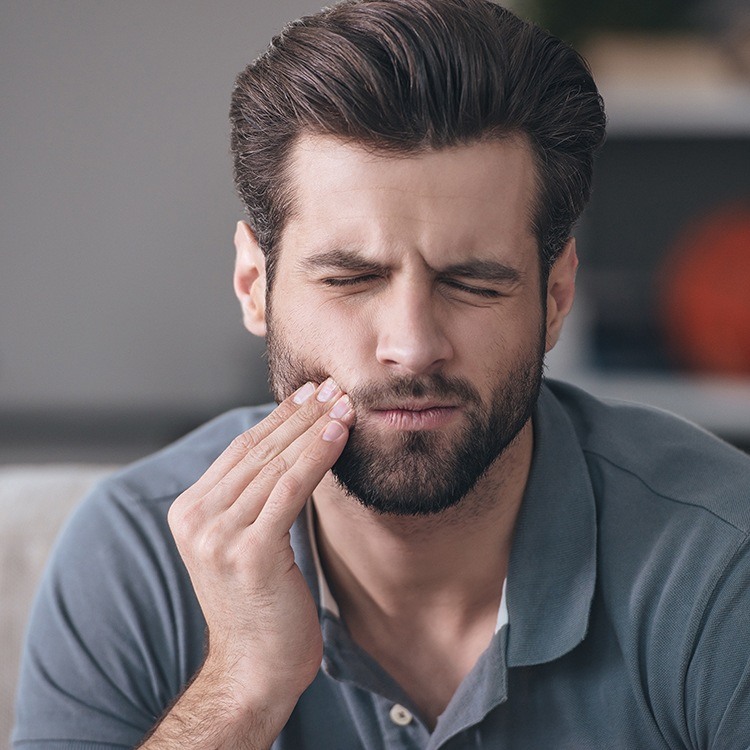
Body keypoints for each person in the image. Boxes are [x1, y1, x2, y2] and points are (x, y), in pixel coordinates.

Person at [12, 1, 750, 748]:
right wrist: (240, 691)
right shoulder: (132, 555)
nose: (412, 345)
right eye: (350, 279)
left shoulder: (721, 562)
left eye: (473, 282)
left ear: (556, 298)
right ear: (251, 287)